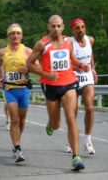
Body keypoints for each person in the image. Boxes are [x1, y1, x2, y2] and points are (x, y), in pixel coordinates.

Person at [27, 15, 90, 171]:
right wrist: (47, 74)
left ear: (63, 27)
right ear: (48, 27)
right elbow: (29, 64)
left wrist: (81, 65)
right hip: (50, 85)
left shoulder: (68, 41)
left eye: (59, 26)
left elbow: (71, 57)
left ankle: (76, 157)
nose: (56, 29)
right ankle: (51, 123)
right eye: (53, 26)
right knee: (57, 124)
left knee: (71, 118)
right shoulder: (42, 44)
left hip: (69, 82)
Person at [0, 23, 38, 163]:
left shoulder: (27, 51)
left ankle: (17, 141)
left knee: (21, 120)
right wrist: (0, 77)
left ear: (22, 35)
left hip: (23, 89)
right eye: (12, 33)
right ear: (8, 35)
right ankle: (17, 147)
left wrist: (28, 68)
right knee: (14, 119)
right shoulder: (2, 52)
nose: (15, 36)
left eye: (18, 33)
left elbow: (38, 66)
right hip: (10, 89)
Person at [65, 18, 98, 154]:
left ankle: (87, 140)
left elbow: (90, 54)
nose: (80, 30)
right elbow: (65, 61)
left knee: (90, 107)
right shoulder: (69, 43)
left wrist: (93, 68)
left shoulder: (90, 40)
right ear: (72, 30)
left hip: (87, 77)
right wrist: (77, 67)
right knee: (73, 112)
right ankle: (70, 140)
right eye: (77, 28)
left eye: (82, 27)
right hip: (72, 77)